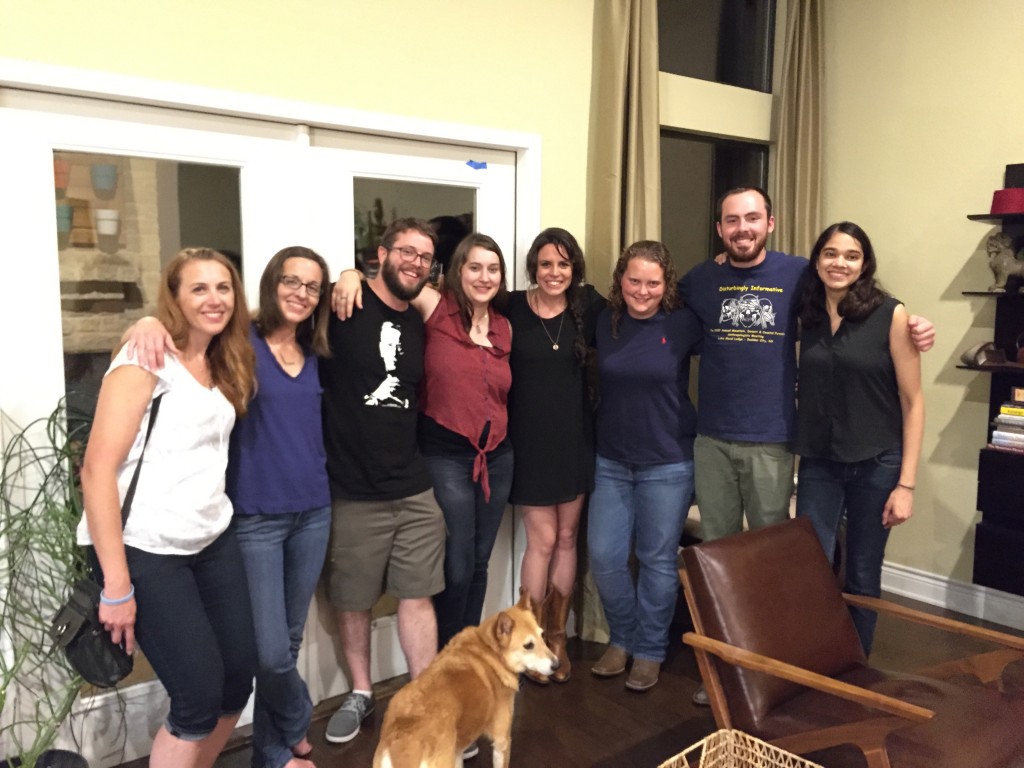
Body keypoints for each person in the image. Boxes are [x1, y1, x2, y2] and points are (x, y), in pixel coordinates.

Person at [679, 186, 934, 705]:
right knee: (764, 564)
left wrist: (919, 326)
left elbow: (911, 395)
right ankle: (748, 665)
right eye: (732, 220)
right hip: (795, 454)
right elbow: (657, 311)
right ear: (720, 228)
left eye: (752, 218)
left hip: (824, 452)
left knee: (819, 568)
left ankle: (826, 670)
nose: (742, 228)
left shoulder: (815, 284)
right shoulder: (727, 287)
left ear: (770, 223)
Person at [124, 247, 334, 768]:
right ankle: (296, 715)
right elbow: (184, 325)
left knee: (284, 641)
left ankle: (273, 753)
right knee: (267, 654)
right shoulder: (238, 343)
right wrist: (149, 320)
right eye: (291, 281)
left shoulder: (320, 351)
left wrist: (353, 274)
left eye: (313, 286)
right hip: (252, 517)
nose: (300, 293)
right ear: (269, 284)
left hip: (313, 511)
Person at [79, 248, 257, 768]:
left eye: (223, 287)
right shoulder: (145, 358)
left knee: (235, 680)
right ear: (175, 297)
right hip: (145, 548)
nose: (214, 299)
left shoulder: (226, 356)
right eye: (198, 288)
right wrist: (117, 585)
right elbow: (95, 472)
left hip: (210, 537)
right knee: (197, 696)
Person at [332, 232, 513, 650]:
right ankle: (449, 655)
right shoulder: (435, 305)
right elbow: (390, 285)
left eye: (493, 269)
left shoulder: (504, 327)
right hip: (446, 456)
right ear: (456, 272)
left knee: (480, 560)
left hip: (498, 457)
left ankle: (470, 649)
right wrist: (349, 274)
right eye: (474, 267)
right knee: (457, 563)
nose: (484, 277)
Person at [320, 218, 447, 746]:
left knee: (418, 596)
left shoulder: (422, 316)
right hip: (352, 489)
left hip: (414, 486)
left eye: (424, 257)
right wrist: (343, 276)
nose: (414, 263)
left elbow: (471, 299)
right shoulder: (341, 308)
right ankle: (361, 691)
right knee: (353, 600)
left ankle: (426, 697)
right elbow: (274, 318)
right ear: (381, 253)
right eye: (405, 252)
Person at [794, 222, 923, 655]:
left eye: (851, 255)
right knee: (811, 567)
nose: (839, 263)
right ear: (817, 260)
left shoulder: (891, 314)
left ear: (865, 263)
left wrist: (906, 484)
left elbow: (913, 401)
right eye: (830, 253)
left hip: (877, 462)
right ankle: (817, 661)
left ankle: (855, 664)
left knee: (863, 574)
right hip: (819, 461)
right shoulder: (806, 314)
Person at [587, 241, 702, 692]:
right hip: (610, 459)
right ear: (621, 280)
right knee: (604, 556)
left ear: (666, 284)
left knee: (656, 560)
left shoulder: (685, 323)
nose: (642, 290)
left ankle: (650, 650)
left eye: (653, 282)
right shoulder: (604, 321)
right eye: (634, 280)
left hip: (668, 462)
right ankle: (622, 638)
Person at [504, 228, 605, 684]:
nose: (554, 272)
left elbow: (644, 311)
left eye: (563, 264)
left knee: (568, 539)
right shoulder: (509, 306)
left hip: (576, 439)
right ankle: (532, 639)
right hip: (529, 444)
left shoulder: (589, 307)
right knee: (540, 542)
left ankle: (558, 635)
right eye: (546, 264)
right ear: (533, 267)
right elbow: (445, 300)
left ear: (574, 269)